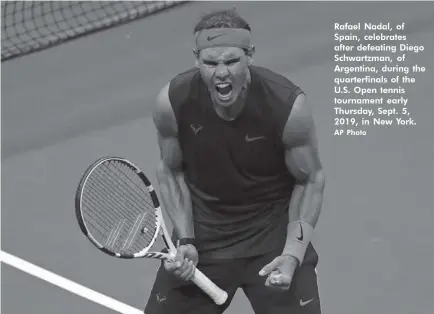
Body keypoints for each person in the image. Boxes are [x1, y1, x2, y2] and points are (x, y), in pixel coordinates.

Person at [145, 8, 325, 314]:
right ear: (196, 59)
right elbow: (171, 171)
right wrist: (186, 239)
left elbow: (309, 180)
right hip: (204, 239)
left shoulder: (286, 106)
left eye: (231, 61)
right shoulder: (173, 102)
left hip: (273, 239)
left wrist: (293, 254)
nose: (221, 73)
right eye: (210, 62)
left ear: (250, 55)